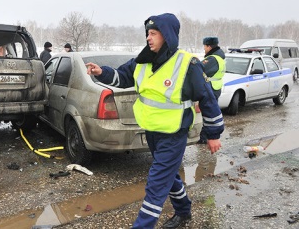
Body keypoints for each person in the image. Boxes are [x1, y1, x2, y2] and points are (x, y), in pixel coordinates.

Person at [86, 13, 224, 229]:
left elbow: (207, 98)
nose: (148, 38)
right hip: (151, 131)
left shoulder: (188, 64)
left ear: (167, 35)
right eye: (147, 34)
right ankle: (184, 211)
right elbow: (122, 77)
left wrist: (214, 134)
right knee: (168, 176)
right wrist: (101, 72)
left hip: (174, 133)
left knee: (156, 182)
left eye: (153, 33)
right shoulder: (143, 61)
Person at [197, 37, 226, 144]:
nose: (204, 49)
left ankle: (204, 138)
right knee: (210, 112)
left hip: (211, 88)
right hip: (216, 87)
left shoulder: (212, 59)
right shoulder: (219, 57)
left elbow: (198, 69)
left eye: (204, 46)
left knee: (207, 113)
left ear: (209, 46)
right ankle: (206, 136)